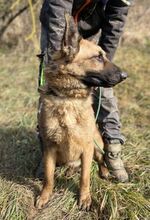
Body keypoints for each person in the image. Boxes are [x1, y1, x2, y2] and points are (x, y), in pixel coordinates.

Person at [36, 0, 132, 182]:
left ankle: (111, 149)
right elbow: (58, 7)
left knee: (105, 89)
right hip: (57, 25)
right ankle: (47, 149)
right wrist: (60, 56)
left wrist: (104, 68)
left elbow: (117, 20)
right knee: (49, 85)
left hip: (93, 25)